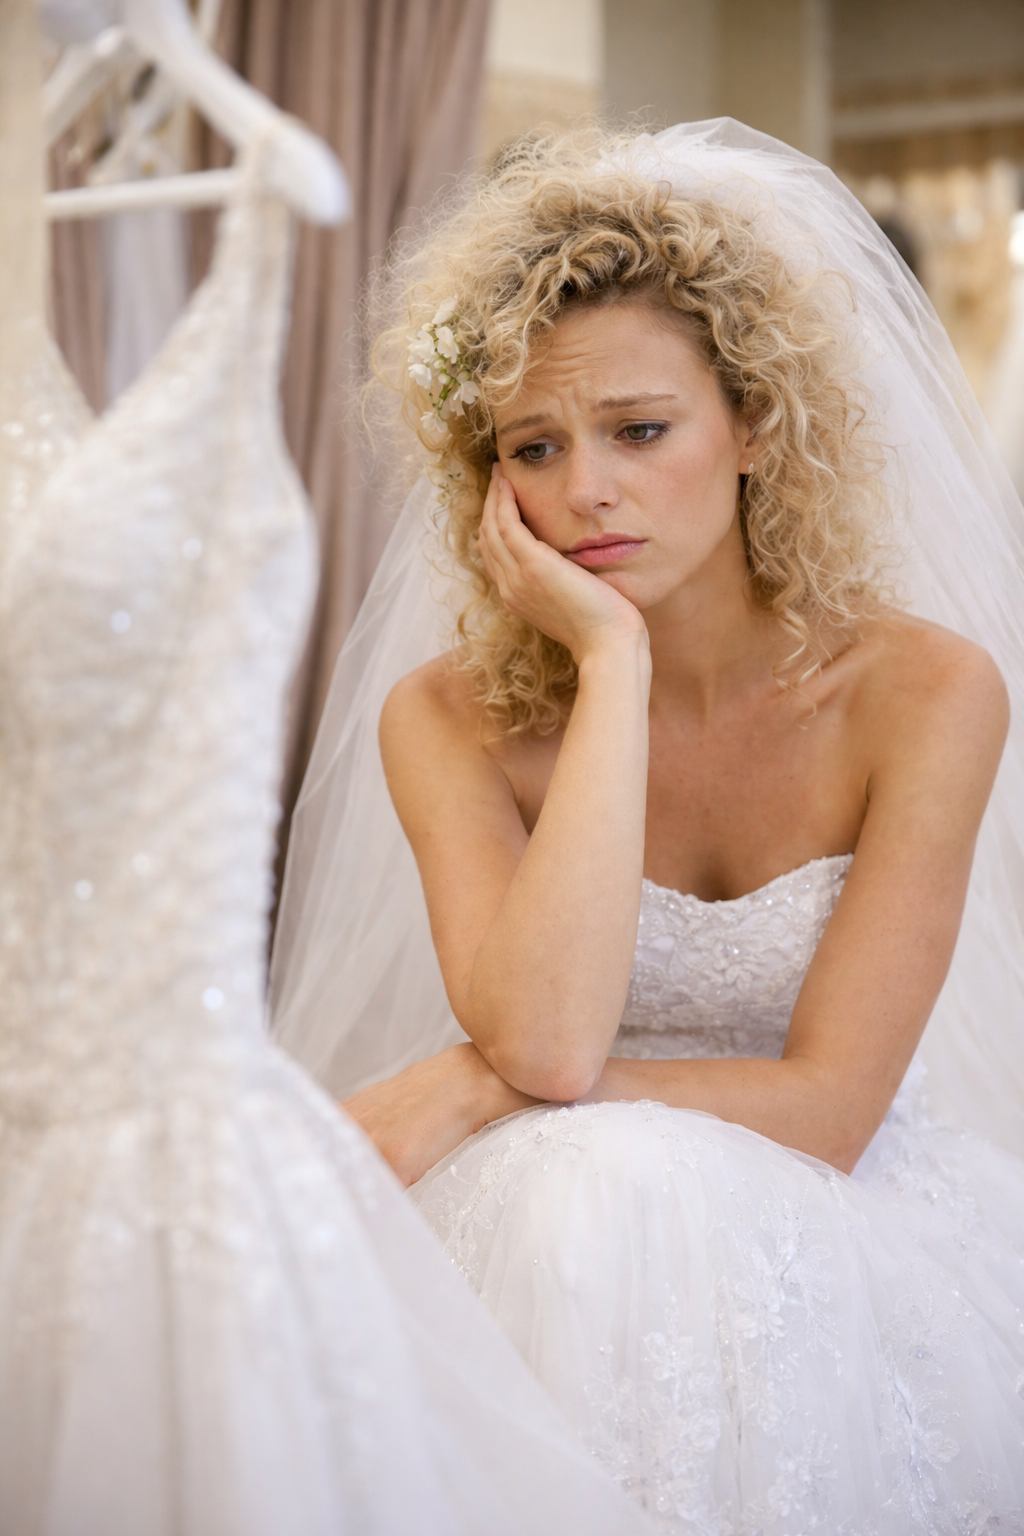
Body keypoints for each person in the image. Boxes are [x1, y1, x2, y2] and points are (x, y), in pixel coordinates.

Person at [271, 122, 1024, 1532]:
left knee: (597, 1179)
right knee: (590, 1196)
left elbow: (831, 1110)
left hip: (834, 1225)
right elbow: (555, 1037)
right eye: (533, 448)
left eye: (640, 430)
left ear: (752, 426)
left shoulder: (926, 692)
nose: (584, 492)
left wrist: (475, 1087)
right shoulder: (447, 720)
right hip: (559, 1230)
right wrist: (610, 666)